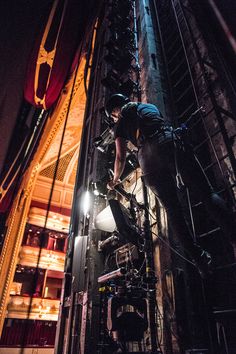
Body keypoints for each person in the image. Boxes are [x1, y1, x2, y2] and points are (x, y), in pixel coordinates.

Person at [105, 93, 235, 277]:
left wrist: (115, 180)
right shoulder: (148, 107)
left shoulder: (119, 124)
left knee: (174, 212)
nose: (114, 118)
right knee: (207, 195)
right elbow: (153, 126)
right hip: (169, 143)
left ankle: (201, 263)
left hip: (148, 161)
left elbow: (120, 156)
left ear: (115, 110)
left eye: (113, 115)